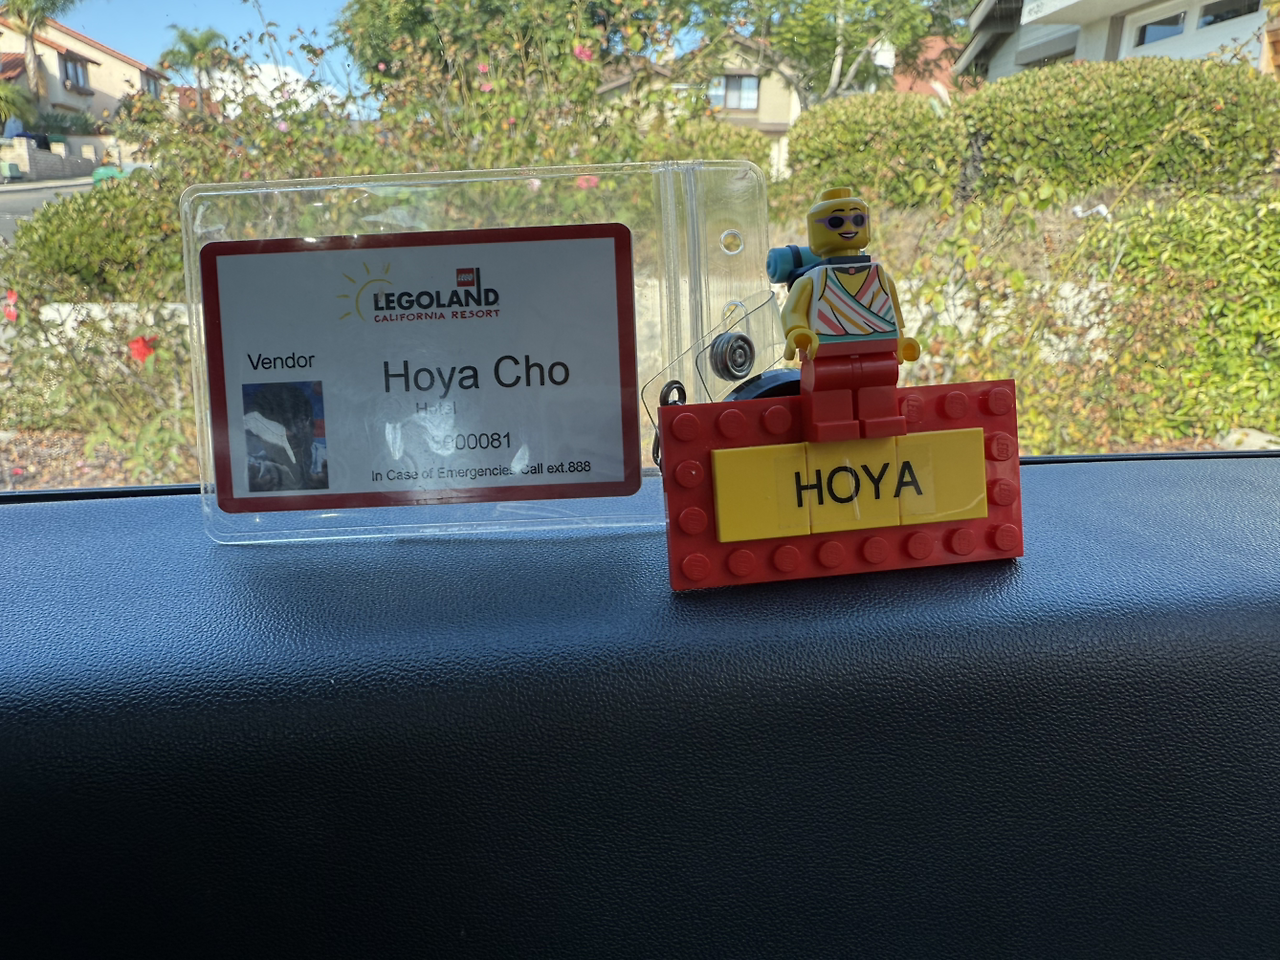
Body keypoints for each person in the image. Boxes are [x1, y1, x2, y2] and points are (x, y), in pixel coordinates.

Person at [778, 188, 921, 443]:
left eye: (857, 219)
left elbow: (894, 313)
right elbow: (792, 311)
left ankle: (881, 421)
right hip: (826, 353)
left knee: (879, 386)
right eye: (836, 221)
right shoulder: (812, 279)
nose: (848, 227)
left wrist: (900, 341)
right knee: (829, 389)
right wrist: (797, 332)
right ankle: (830, 425)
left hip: (879, 351)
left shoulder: (880, 276)